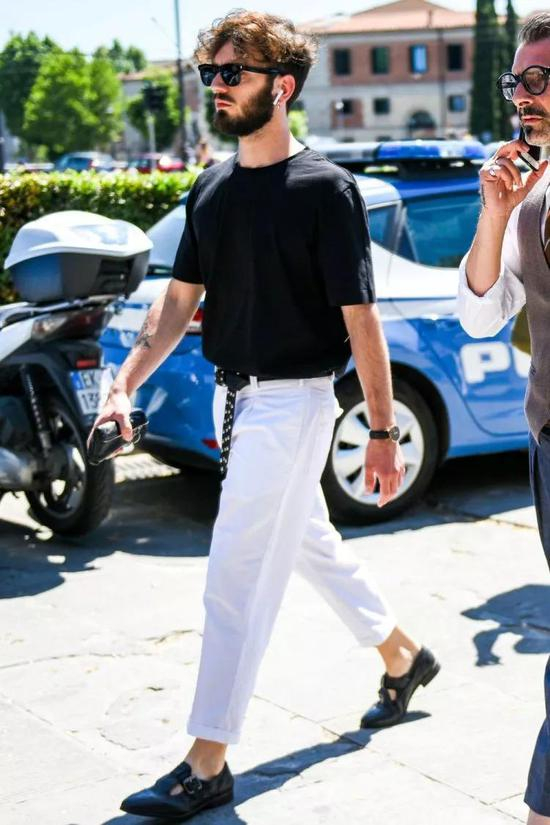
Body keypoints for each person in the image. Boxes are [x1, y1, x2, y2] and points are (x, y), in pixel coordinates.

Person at [91, 11, 440, 821]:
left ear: (280, 87)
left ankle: (207, 760)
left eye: (232, 73)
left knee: (234, 577)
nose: (216, 86)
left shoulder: (325, 191)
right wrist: (125, 384)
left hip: (296, 401)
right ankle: (404, 655)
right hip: (238, 400)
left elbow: (362, 319)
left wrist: (382, 431)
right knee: (309, 542)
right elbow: (177, 304)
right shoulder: (211, 188)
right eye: (210, 73)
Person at [457, 13, 550, 825]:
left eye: (539, 79)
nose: (523, 95)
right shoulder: (527, 199)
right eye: (516, 80)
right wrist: (494, 211)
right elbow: (483, 314)